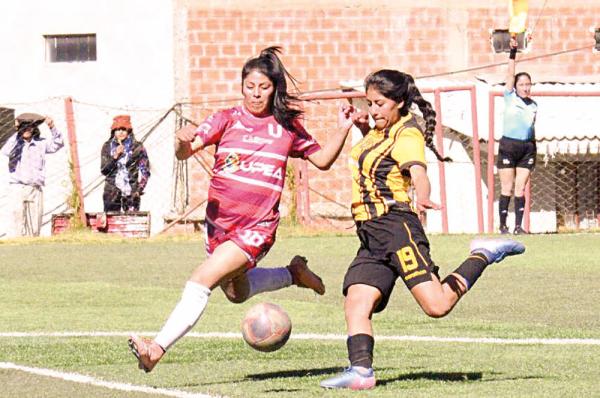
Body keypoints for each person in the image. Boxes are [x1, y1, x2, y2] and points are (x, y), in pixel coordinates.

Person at [128, 46, 352, 372]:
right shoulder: (227, 119)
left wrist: (342, 128)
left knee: (201, 279)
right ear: (242, 86)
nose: (256, 94)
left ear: (274, 88)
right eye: (250, 87)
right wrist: (180, 140)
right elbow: (184, 152)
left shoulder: (286, 127)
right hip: (219, 227)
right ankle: (294, 274)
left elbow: (322, 160)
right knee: (236, 292)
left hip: (256, 228)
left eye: (263, 88)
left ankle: (156, 350)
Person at [319, 70, 526, 390]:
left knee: (437, 305)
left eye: (380, 104)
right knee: (356, 301)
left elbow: (416, 167)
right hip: (371, 235)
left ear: (399, 102)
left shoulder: (407, 133)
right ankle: (361, 371)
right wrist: (358, 127)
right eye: (370, 103)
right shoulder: (376, 130)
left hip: (396, 228)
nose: (373, 110)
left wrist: (424, 192)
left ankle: (483, 253)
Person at [497, 37, 537, 235]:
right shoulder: (510, 97)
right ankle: (503, 225)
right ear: (516, 86)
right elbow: (510, 73)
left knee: (520, 188)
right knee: (507, 187)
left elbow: (531, 128)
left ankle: (519, 226)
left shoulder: (534, 105)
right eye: (522, 84)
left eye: (528, 84)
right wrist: (513, 52)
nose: (526, 88)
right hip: (508, 146)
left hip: (527, 148)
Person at [1, 113, 64, 237]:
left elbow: (58, 143)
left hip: (35, 188)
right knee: (17, 222)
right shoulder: (15, 143)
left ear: (34, 128)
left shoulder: (41, 143)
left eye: (29, 126)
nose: (26, 130)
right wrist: (16, 130)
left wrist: (51, 126)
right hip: (18, 188)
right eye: (23, 127)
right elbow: (5, 151)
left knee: (34, 225)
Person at [100, 115, 150, 212]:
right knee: (112, 223)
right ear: (113, 131)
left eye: (123, 129)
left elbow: (145, 171)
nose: (121, 132)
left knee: (132, 222)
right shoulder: (107, 146)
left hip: (131, 193)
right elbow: (104, 170)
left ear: (129, 130)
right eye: (117, 129)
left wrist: (139, 190)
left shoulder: (137, 147)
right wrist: (115, 156)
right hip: (111, 192)